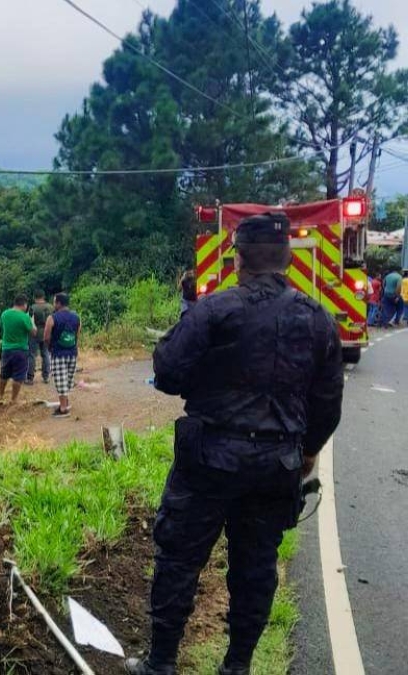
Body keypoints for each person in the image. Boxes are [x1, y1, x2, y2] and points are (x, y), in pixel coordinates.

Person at [126, 213, 343, 675]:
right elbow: (327, 403)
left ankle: (161, 663)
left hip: (208, 460)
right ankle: (237, 666)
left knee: (179, 560)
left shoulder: (213, 310)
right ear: (286, 259)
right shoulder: (318, 320)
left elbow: (167, 371)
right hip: (274, 465)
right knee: (256, 567)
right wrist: (306, 452)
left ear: (238, 258)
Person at [43, 293, 81, 418]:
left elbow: (46, 337)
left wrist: (50, 347)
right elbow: (77, 336)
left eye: (54, 302)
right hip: (72, 353)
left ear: (59, 303)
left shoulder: (52, 318)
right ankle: (65, 403)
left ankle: (63, 409)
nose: (54, 304)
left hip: (58, 353)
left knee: (60, 381)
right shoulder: (76, 317)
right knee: (68, 380)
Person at [0, 294, 36, 406]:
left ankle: (0, 396)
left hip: (6, 349)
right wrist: (31, 320)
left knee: (4, 374)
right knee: (18, 376)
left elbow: (2, 326)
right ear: (24, 304)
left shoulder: (4, 314)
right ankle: (13, 399)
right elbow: (33, 332)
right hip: (20, 350)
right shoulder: (24, 317)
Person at [27, 292, 52, 384]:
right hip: (47, 332)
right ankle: (46, 377)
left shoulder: (32, 308)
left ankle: (30, 378)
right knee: (45, 354)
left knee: (32, 355)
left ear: (35, 297)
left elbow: (29, 320)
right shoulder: (50, 307)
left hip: (35, 333)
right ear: (43, 296)